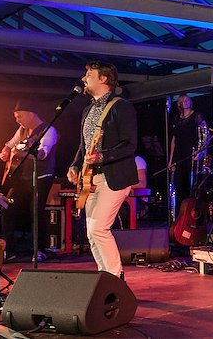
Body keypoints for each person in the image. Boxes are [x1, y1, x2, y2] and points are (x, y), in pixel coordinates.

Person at [67, 61, 138, 278]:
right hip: (91, 179)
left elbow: (130, 144)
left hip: (114, 177)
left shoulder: (121, 106)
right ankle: (104, 276)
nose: (84, 78)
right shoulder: (87, 110)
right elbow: (84, 146)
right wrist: (75, 166)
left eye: (89, 74)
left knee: (99, 228)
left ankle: (115, 277)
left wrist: (103, 156)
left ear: (103, 79)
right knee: (91, 232)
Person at [0, 100, 58, 262]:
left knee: (36, 211)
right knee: (6, 207)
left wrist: (27, 152)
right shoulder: (22, 130)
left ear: (31, 114)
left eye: (20, 116)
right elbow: (10, 144)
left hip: (41, 177)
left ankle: (40, 250)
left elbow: (43, 154)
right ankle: (9, 250)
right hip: (23, 178)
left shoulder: (48, 130)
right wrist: (5, 152)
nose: (17, 120)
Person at [168, 94, 206, 212]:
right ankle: (180, 214)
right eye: (181, 100)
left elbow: (205, 135)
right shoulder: (176, 118)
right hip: (179, 155)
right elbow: (174, 139)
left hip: (192, 153)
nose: (184, 101)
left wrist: (201, 151)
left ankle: (192, 212)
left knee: (191, 184)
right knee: (179, 185)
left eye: (186, 99)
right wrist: (171, 160)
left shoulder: (196, 116)